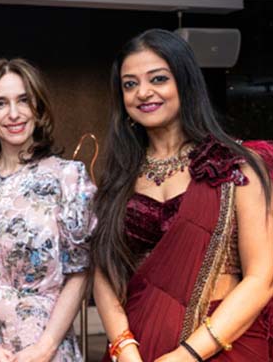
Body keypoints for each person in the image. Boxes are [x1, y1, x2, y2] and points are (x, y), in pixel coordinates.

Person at [91, 29, 273, 362]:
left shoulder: (236, 165)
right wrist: (124, 347)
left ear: (185, 83)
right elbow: (104, 272)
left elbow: (261, 278)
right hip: (140, 345)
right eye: (130, 84)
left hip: (225, 344)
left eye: (158, 79)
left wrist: (187, 355)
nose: (143, 93)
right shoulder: (119, 178)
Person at [0, 58, 95, 362]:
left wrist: (45, 347)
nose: (14, 113)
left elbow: (80, 272)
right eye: (0, 103)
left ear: (38, 107)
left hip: (46, 349)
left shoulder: (68, 179)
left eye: (24, 100)